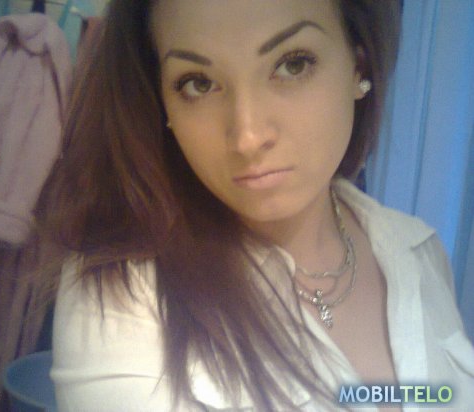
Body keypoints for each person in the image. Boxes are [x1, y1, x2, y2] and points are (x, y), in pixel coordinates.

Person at [36, 0, 474, 410]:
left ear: (358, 64)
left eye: (292, 64)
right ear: (162, 99)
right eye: (198, 83)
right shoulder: (123, 296)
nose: (247, 137)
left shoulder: (418, 253)